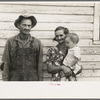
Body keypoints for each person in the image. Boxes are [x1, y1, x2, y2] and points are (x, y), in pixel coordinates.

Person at [2, 15, 43, 81]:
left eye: (29, 25)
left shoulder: (37, 42)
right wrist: (5, 82)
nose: (27, 28)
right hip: (15, 78)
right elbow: (6, 63)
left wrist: (40, 82)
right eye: (24, 25)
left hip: (32, 78)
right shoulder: (10, 41)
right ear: (18, 25)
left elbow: (40, 65)